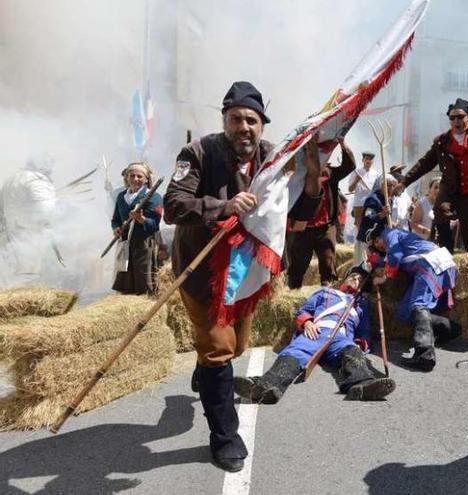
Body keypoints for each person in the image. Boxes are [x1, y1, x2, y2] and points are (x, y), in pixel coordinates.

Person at [163, 81, 323, 472]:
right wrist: (222, 205)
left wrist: (316, 168)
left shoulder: (275, 158)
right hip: (202, 269)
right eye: (235, 119)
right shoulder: (197, 152)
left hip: (247, 272)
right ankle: (224, 437)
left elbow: (302, 204)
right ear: (225, 121)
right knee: (219, 350)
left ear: (262, 126)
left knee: (235, 348)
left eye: (251, 120)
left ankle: (207, 371)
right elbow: (172, 204)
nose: (244, 127)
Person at [393, 64, 468, 254]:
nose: (456, 121)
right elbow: (424, 163)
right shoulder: (442, 142)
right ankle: (445, 252)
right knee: (440, 212)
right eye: (453, 118)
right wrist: (405, 182)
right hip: (450, 188)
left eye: (460, 117)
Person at [234, 266, 395, 403]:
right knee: (295, 353)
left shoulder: (361, 304)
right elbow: (303, 311)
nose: (354, 279)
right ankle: (267, 386)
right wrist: (307, 323)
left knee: (352, 352)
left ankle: (362, 385)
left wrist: (360, 345)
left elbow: (364, 332)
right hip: (316, 332)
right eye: (352, 276)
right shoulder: (324, 293)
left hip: (341, 338)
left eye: (359, 279)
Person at [363, 219, 462, 372]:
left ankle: (425, 355)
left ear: (378, 237)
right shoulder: (399, 237)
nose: (379, 247)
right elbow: (397, 258)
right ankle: (451, 329)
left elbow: (395, 256)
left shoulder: (391, 233)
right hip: (438, 262)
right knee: (406, 310)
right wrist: (375, 260)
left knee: (418, 305)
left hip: (430, 264)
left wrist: (382, 278)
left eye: (377, 243)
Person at [285, 139, 356, 289]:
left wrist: (343, 143)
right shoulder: (296, 175)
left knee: (328, 267)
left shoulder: (330, 173)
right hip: (302, 229)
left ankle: (328, 299)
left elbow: (350, 165)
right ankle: (293, 293)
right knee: (297, 267)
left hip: (325, 228)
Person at [111, 162, 162, 295]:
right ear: (127, 178)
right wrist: (116, 228)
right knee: (125, 282)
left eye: (139, 176)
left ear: (146, 179)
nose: (135, 179)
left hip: (143, 246)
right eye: (132, 175)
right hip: (125, 244)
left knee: (143, 282)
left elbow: (155, 225)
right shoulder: (121, 197)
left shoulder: (154, 197)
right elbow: (115, 219)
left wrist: (141, 219)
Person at [348, 151, 379, 230]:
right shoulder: (356, 173)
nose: (368, 161)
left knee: (370, 224)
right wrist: (356, 180)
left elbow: (378, 190)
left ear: (373, 161)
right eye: (367, 159)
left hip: (371, 203)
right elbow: (350, 189)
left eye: (370, 159)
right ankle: (359, 241)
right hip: (359, 203)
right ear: (363, 160)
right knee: (359, 225)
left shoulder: (377, 175)